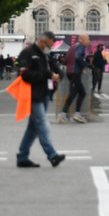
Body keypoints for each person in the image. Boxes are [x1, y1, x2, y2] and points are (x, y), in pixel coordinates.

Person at [15, 31, 65, 168]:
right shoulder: (28, 53)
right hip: (32, 94)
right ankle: (52, 155)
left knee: (33, 128)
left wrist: (60, 73)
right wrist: (48, 75)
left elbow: (54, 66)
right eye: (50, 44)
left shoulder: (45, 54)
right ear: (43, 41)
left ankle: (22, 156)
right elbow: (25, 74)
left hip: (43, 93)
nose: (51, 47)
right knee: (42, 124)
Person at [62, 33, 90, 122]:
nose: (89, 41)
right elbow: (77, 57)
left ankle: (64, 113)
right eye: (87, 39)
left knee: (74, 93)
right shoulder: (81, 47)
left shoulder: (72, 47)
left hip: (70, 72)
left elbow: (65, 61)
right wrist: (86, 65)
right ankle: (75, 114)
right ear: (82, 40)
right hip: (75, 73)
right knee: (82, 93)